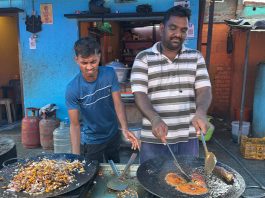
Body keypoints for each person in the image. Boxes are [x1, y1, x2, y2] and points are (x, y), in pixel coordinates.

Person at [130, 5, 212, 163]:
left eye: (183, 30)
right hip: (155, 138)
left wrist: (201, 112)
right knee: (152, 183)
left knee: (189, 183)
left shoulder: (196, 57)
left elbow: (204, 90)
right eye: (173, 28)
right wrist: (155, 119)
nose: (178, 34)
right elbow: (140, 94)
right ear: (162, 28)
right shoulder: (144, 58)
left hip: (188, 137)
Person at [65, 37, 139, 163]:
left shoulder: (109, 74)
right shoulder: (73, 89)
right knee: (93, 173)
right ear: (76, 60)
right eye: (84, 63)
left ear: (99, 56)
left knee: (114, 168)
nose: (89, 67)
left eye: (93, 62)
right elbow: (75, 125)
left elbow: (118, 103)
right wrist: (75, 157)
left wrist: (125, 128)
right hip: (92, 139)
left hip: (112, 134)